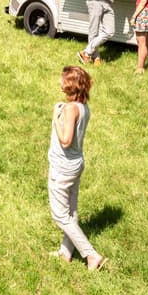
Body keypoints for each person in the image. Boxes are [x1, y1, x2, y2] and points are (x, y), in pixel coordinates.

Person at [48, 65, 105, 271]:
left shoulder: (70, 109)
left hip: (62, 168)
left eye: (63, 79)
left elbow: (65, 140)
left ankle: (90, 254)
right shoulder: (83, 107)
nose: (59, 81)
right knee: (71, 212)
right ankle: (65, 252)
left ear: (70, 86)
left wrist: (56, 116)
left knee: (60, 215)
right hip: (75, 164)